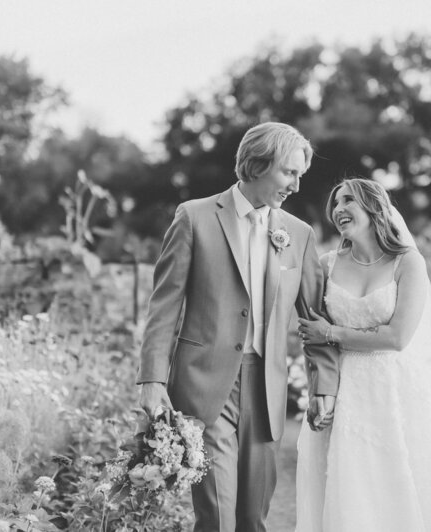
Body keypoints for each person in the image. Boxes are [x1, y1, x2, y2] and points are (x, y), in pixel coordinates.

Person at [137, 122, 339, 532]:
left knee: (253, 517)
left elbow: (314, 317)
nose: (297, 186)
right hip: (206, 386)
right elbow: (165, 304)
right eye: (289, 173)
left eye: (301, 175)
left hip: (267, 388)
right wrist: (152, 379)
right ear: (257, 164)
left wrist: (324, 384)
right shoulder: (194, 217)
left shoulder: (298, 235)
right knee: (217, 515)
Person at [295, 178, 431, 531]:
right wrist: (320, 391)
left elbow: (397, 337)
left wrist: (332, 333)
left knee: (397, 484)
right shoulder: (326, 264)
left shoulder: (408, 263)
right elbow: (311, 336)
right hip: (344, 393)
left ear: (374, 207)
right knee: (346, 487)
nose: (339, 209)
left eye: (348, 201)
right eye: (336, 203)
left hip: (395, 392)